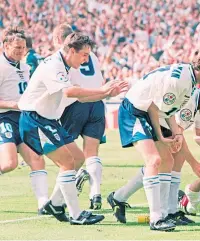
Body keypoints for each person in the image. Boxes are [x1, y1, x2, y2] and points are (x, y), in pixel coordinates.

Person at [18, 32, 127, 225]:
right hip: (35, 119)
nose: (86, 59)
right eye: (84, 54)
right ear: (71, 51)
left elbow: (80, 97)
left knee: (77, 158)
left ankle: (55, 204)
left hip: (46, 120)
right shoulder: (54, 65)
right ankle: (76, 215)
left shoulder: (64, 66)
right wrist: (102, 89)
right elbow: (69, 91)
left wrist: (107, 94)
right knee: (68, 162)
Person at [116, 52, 200, 231]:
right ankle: (157, 218)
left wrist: (177, 135)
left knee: (168, 160)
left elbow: (168, 111)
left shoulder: (188, 80)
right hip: (135, 110)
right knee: (155, 160)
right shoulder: (181, 81)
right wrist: (161, 136)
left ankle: (164, 213)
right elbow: (153, 107)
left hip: (149, 112)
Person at [53, 23, 108, 210]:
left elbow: (68, 88)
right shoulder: (91, 55)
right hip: (98, 103)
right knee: (92, 152)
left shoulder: (66, 58)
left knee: (64, 153)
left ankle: (58, 199)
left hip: (76, 104)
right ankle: (95, 193)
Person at [0, 26, 48, 214]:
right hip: (4, 117)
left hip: (24, 118)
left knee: (37, 159)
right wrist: (13, 104)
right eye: (17, 47)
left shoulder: (25, 66)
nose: (21, 51)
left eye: (23, 48)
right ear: (5, 45)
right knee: (9, 164)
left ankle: (43, 204)